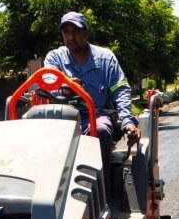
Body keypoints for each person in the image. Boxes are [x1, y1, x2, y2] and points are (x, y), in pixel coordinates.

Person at [43, 12, 141, 165]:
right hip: (62, 119)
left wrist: (127, 121)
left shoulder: (105, 58)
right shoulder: (54, 57)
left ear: (86, 33)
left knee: (101, 129)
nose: (70, 37)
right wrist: (64, 86)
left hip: (95, 116)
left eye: (76, 31)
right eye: (66, 32)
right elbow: (48, 80)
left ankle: (102, 180)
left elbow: (120, 90)